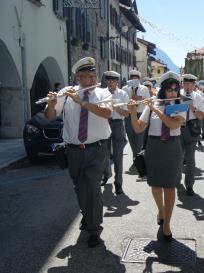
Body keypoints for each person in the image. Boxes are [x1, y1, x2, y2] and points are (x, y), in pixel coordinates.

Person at [45, 57, 112, 247]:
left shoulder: (103, 93)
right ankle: (87, 215)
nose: (91, 81)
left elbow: (106, 113)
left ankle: (94, 229)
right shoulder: (66, 93)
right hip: (73, 150)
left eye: (93, 76)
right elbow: (50, 116)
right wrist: (51, 103)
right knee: (79, 188)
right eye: (86, 77)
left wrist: (82, 102)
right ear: (78, 79)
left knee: (92, 187)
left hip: (96, 149)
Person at [128, 71, 186, 242]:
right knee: (155, 185)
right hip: (154, 147)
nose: (173, 92)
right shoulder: (152, 103)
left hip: (172, 147)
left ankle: (167, 223)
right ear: (163, 90)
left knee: (170, 187)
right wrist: (132, 112)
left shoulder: (180, 104)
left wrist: (157, 110)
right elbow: (139, 128)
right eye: (169, 89)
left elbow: (173, 123)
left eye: (176, 88)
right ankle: (161, 210)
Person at [101, 71, 129, 195]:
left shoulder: (123, 94)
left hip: (117, 124)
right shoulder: (101, 93)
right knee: (104, 153)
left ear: (117, 82)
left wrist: (117, 108)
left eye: (113, 80)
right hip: (104, 124)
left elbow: (127, 114)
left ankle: (118, 183)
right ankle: (107, 173)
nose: (110, 82)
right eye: (108, 80)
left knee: (118, 156)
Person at [180, 74, 204, 196]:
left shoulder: (198, 97)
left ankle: (189, 185)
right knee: (177, 157)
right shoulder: (177, 94)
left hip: (191, 128)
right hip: (178, 127)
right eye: (186, 83)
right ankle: (176, 180)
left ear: (194, 85)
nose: (188, 86)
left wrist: (192, 108)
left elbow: (201, 116)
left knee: (190, 159)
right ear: (183, 84)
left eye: (190, 83)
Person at [122, 70, 151, 162]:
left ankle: (137, 158)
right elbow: (123, 102)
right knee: (130, 136)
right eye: (132, 78)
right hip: (129, 114)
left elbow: (149, 101)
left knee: (139, 137)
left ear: (139, 79)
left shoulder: (144, 89)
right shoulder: (124, 89)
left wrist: (140, 98)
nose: (134, 79)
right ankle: (136, 155)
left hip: (140, 114)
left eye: (136, 78)